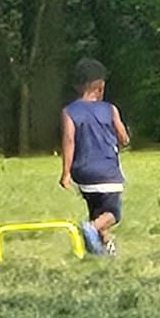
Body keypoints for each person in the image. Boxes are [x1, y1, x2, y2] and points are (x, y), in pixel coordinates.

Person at [59, 59, 129, 256]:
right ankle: (91, 229)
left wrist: (65, 173)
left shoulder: (69, 112)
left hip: (82, 174)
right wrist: (123, 138)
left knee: (97, 213)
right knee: (113, 214)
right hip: (107, 172)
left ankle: (104, 250)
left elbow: (69, 141)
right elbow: (123, 138)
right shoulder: (110, 109)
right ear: (100, 86)